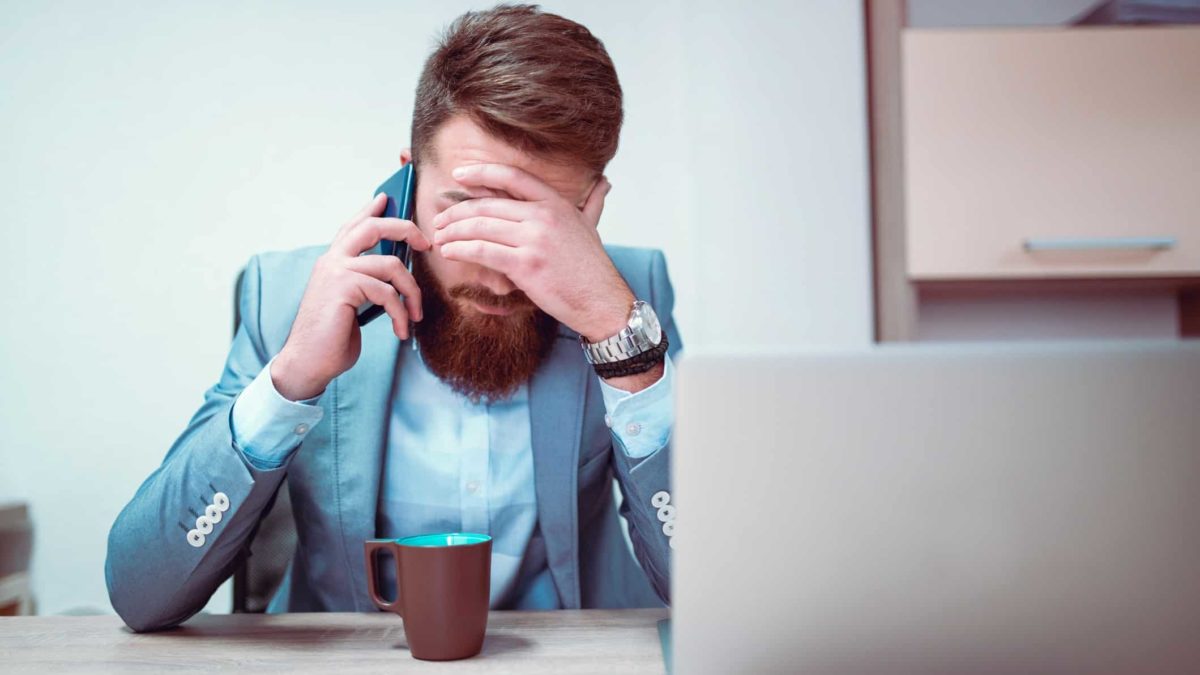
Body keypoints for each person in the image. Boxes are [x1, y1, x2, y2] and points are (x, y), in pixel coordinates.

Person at [105, 4, 681, 632]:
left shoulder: (626, 301)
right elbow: (140, 594)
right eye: (465, 211)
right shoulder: (285, 296)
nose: (494, 269)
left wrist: (620, 341)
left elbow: (715, 588)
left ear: (592, 203)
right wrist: (291, 378)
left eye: (540, 224)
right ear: (406, 176)